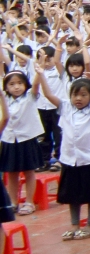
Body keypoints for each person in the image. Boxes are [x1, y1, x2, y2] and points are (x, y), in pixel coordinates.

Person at [40, 61, 90, 241]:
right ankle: (74, 225)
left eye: (83, 95)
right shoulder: (65, 107)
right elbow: (48, 94)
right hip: (70, 158)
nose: (78, 98)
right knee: (72, 193)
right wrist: (40, 74)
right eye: (75, 95)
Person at [1, 70, 44, 215]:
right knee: (12, 173)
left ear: (26, 84)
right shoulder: (4, 99)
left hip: (27, 138)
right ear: (6, 87)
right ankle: (13, 202)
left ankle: (29, 202)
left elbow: (36, 85)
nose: (16, 87)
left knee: (29, 171)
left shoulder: (30, 97)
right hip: (9, 139)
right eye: (12, 84)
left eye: (20, 83)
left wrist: (39, 72)